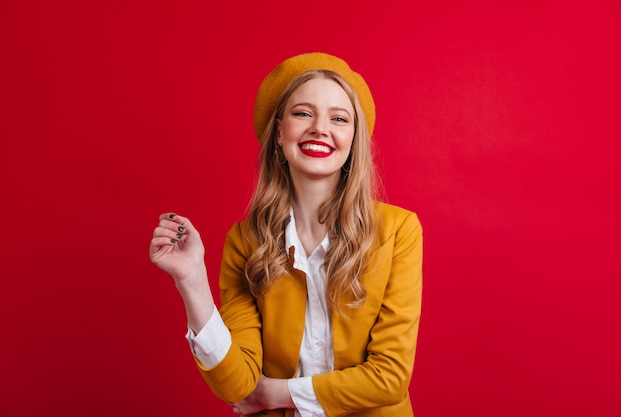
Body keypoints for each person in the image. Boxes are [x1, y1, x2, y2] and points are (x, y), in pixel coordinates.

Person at [149, 52, 423, 416]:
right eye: (303, 113)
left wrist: (277, 394)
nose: (319, 128)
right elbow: (236, 385)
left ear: (354, 138)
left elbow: (390, 378)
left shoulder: (398, 231)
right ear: (279, 132)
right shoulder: (245, 242)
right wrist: (192, 280)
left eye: (338, 118)